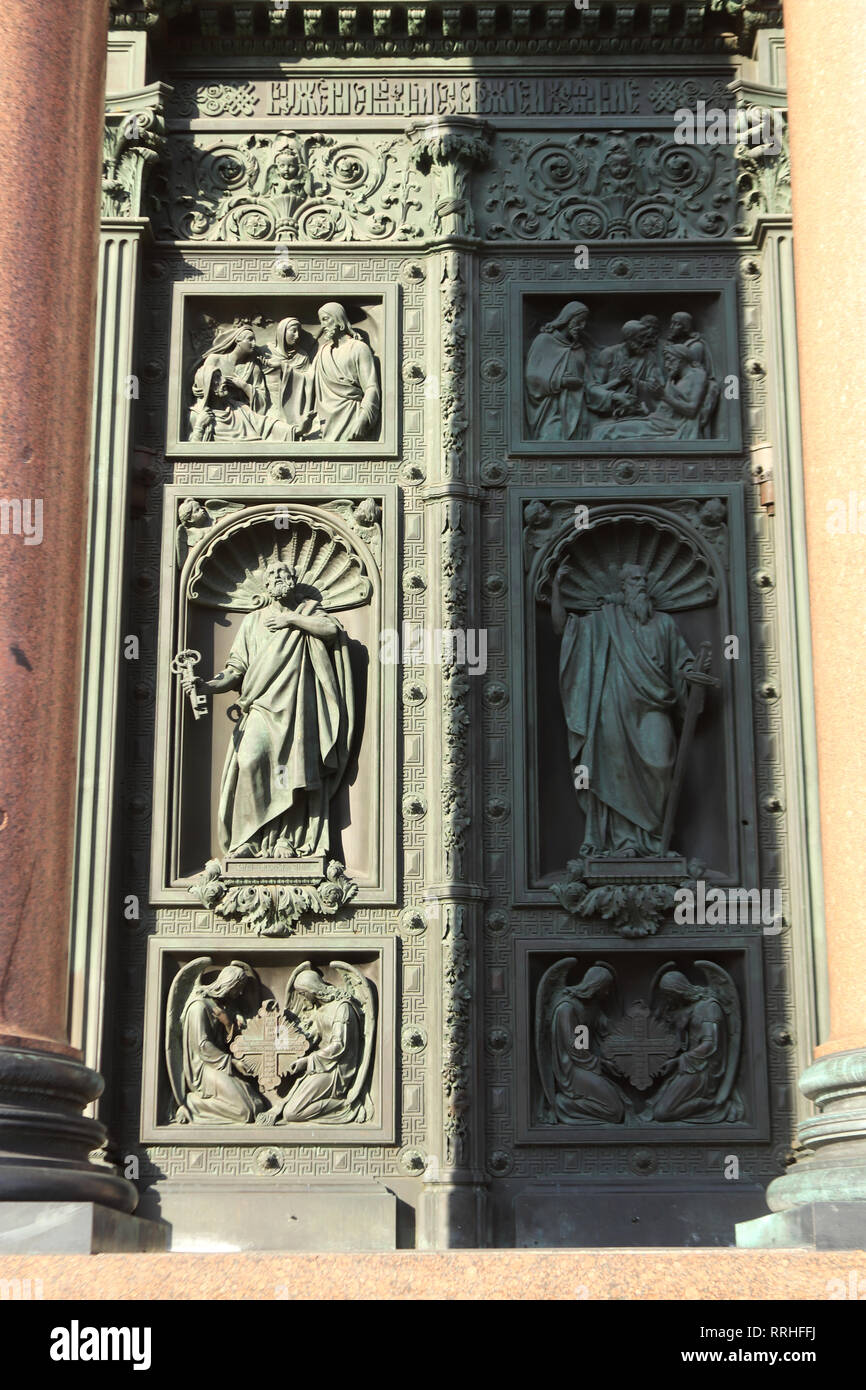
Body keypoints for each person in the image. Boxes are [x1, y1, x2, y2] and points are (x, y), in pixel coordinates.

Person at [203, 558, 354, 859]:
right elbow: (235, 670)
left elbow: (330, 630)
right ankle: (247, 838)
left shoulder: (307, 613)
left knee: (295, 772)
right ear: (266, 584)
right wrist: (208, 685)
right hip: (260, 706)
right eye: (272, 573)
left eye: (283, 572)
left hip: (299, 705)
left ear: (293, 579)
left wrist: (292, 621)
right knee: (250, 760)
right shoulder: (253, 621)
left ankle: (288, 839)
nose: (277, 576)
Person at [552, 561, 704, 857]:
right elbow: (562, 628)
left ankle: (654, 838)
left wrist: (692, 673)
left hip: (654, 707)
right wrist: (557, 588)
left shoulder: (664, 624)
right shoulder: (604, 621)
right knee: (613, 773)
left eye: (644, 578)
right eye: (635, 579)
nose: (642, 583)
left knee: (662, 763)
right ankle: (624, 843)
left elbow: (681, 663)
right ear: (622, 588)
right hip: (612, 712)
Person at [257, 968, 368, 1124]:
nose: (302, 999)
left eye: (302, 994)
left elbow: (339, 1046)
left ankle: (348, 1106)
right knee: (291, 1107)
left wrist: (307, 1061)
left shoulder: (342, 1008)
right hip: (321, 1066)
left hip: (337, 1070)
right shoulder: (320, 1010)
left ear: (312, 990)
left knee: (292, 1113)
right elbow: (309, 1038)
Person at [524, 301, 630, 440]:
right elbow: (532, 377)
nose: (582, 326)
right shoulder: (544, 341)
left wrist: (615, 393)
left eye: (584, 322)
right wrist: (561, 381)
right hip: (551, 412)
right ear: (567, 318)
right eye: (579, 321)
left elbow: (589, 387)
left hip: (577, 414)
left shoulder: (578, 350)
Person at [177, 964, 266, 1124]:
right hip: (204, 1068)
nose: (239, 993)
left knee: (256, 1105)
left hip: (219, 1063)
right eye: (237, 988)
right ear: (228, 984)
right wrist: (232, 1062)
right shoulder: (199, 1007)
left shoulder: (220, 1005)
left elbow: (224, 1036)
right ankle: (191, 1104)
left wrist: (230, 1024)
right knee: (244, 1112)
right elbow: (202, 1045)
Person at [188, 324, 294, 442]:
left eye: (255, 340)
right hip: (216, 415)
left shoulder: (253, 368)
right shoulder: (215, 359)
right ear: (238, 340)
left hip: (241, 415)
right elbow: (203, 383)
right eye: (250, 340)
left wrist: (243, 386)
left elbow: (262, 400)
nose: (254, 344)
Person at [648, 972, 729, 1122]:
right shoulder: (690, 1008)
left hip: (703, 1070)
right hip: (690, 1066)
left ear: (678, 991)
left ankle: (715, 1105)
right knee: (651, 1108)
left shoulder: (709, 1007)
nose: (668, 999)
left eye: (669, 995)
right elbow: (683, 1043)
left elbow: (710, 1044)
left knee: (661, 1113)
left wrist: (679, 1060)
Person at [548, 964, 625, 1123]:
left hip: (587, 1064)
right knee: (614, 1111)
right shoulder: (568, 1008)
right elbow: (576, 1049)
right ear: (596, 986)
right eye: (605, 988)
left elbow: (607, 1028)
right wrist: (602, 1064)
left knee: (619, 1105)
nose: (608, 992)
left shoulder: (592, 1006)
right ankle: (561, 1105)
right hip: (572, 1069)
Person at [592, 340, 711, 442]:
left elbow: (691, 411)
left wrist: (664, 396)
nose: (667, 365)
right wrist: (641, 409)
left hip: (667, 426)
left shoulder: (697, 375)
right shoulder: (675, 380)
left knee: (605, 431)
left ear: (681, 359)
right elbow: (664, 408)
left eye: (670, 360)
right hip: (657, 421)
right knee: (599, 428)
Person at [312, 302, 380, 441]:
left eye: (325, 319)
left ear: (338, 318)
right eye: (320, 321)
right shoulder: (323, 352)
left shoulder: (359, 348)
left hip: (350, 416)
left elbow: (371, 387)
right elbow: (306, 380)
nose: (322, 326)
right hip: (326, 420)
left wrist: (363, 418)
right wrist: (284, 368)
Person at [268, 316, 314, 436]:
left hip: (295, 408)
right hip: (271, 407)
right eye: (293, 331)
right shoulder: (267, 351)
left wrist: (284, 367)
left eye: (298, 331)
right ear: (282, 332)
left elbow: (310, 379)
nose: (297, 335)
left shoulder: (302, 356)